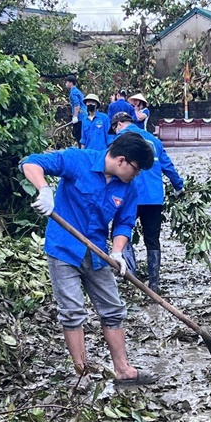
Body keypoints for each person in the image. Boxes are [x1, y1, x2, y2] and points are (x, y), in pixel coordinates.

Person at [20, 131, 157, 386]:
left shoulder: (128, 187)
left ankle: (123, 370)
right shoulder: (78, 160)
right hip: (64, 249)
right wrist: (44, 190)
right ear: (122, 161)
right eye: (136, 170)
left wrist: (117, 251)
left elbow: (124, 223)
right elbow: (31, 162)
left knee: (113, 309)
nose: (136, 176)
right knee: (72, 311)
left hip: (97, 253)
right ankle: (82, 374)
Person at [111, 112, 184, 293]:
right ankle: (154, 283)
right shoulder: (154, 140)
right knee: (152, 239)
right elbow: (168, 166)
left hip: (128, 198)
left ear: (118, 125)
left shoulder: (119, 141)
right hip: (153, 198)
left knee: (122, 231)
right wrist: (179, 186)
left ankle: (131, 276)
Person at [65, 74, 85, 145]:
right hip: (84, 116)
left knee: (79, 136)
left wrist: (75, 116)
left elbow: (77, 105)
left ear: (71, 83)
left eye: (66, 82)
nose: (66, 84)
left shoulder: (73, 93)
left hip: (80, 117)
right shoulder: (78, 91)